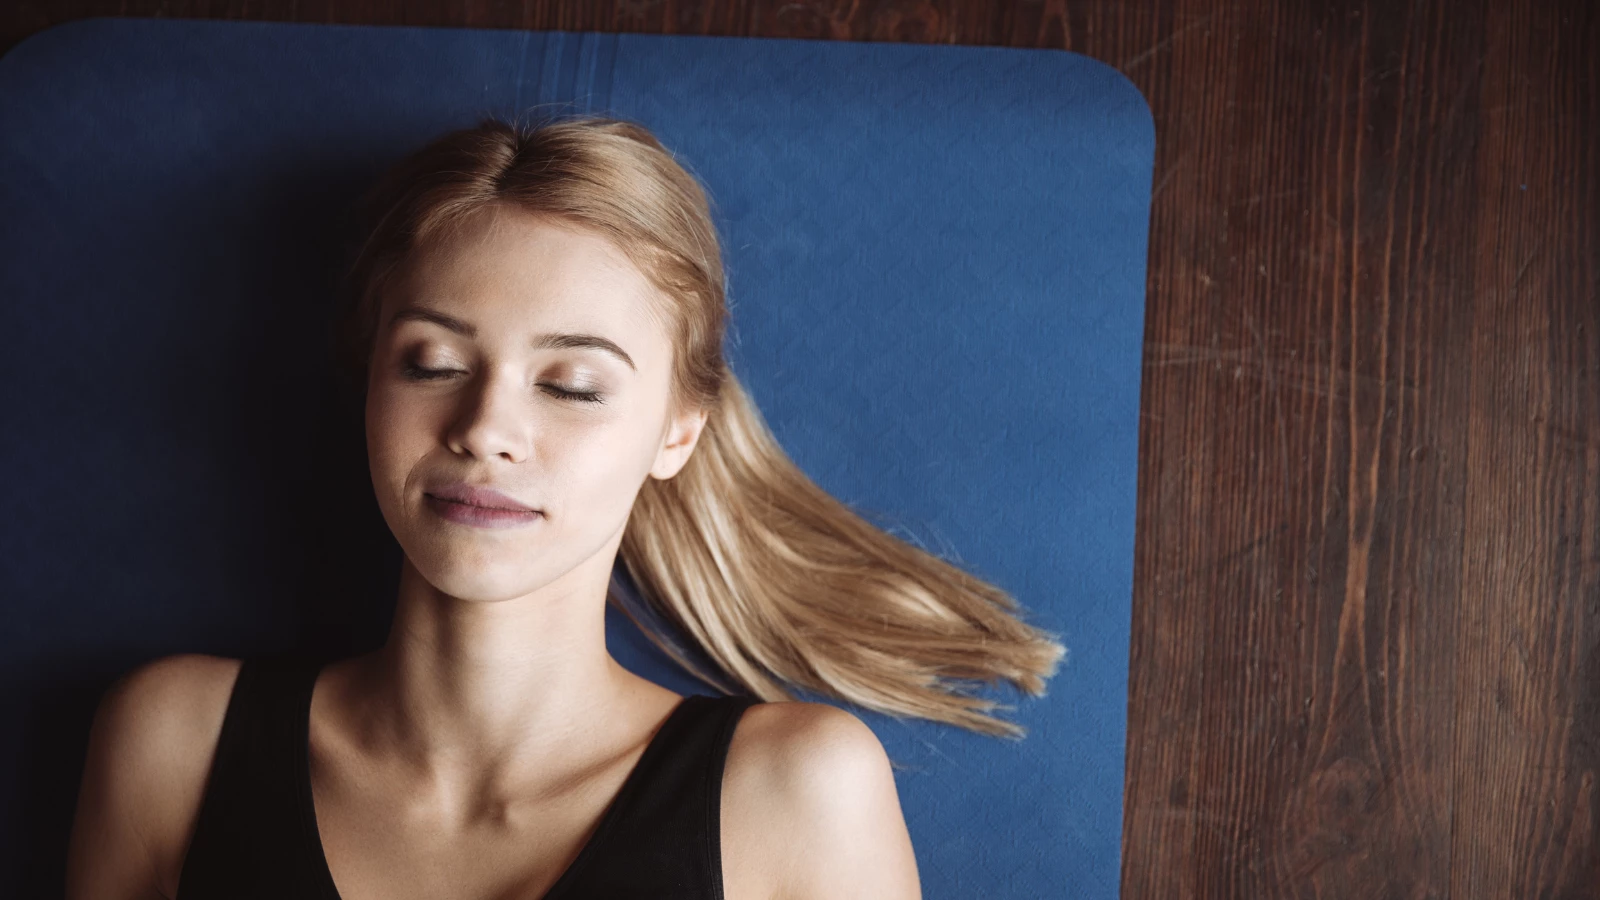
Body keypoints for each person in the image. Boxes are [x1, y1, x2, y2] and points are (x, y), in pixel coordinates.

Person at [63, 113, 1065, 899]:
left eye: (572, 384)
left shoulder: (796, 791)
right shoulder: (173, 742)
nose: (485, 427)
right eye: (434, 363)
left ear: (678, 429)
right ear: (367, 383)